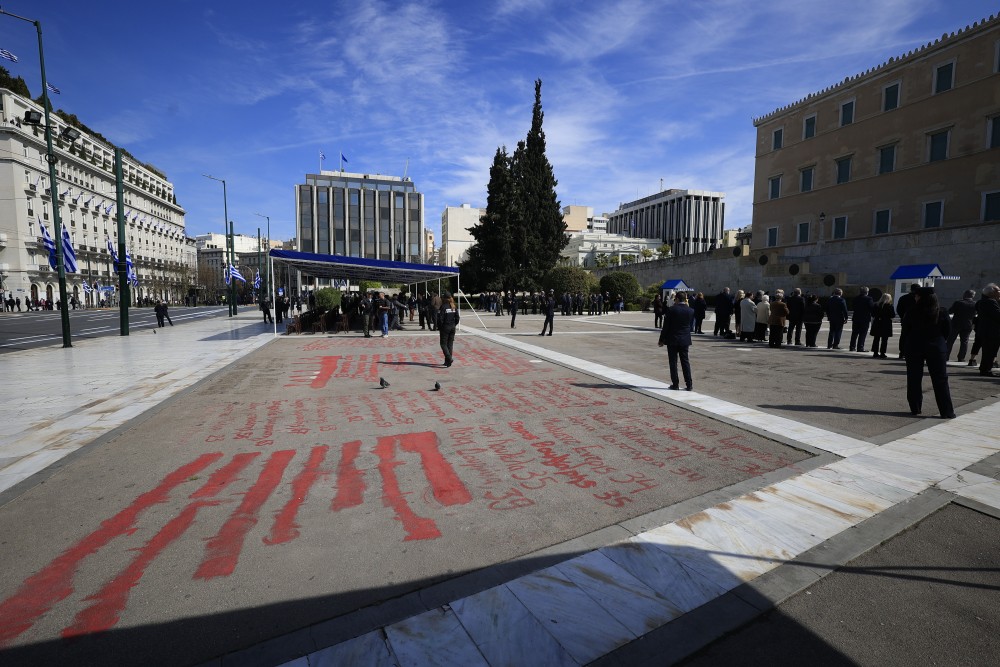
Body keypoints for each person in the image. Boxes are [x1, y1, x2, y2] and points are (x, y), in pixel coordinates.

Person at [902, 286, 955, 418]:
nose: (915, 297)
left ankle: (915, 408)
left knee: (914, 378)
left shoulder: (911, 311)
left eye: (916, 295)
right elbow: (947, 331)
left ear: (920, 297)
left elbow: (906, 331)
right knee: (940, 379)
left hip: (914, 346)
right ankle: (946, 411)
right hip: (936, 347)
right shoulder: (941, 312)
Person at [658, 292, 695, 390]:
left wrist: (661, 339)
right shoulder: (691, 311)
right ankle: (689, 384)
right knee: (685, 362)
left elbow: (666, 327)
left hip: (672, 339)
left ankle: (675, 384)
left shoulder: (671, 310)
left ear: (677, 299)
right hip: (685, 339)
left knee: (673, 362)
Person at [975, 283, 1000, 377]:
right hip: (991, 332)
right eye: (998, 290)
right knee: (990, 352)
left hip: (986, 331)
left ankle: (985, 369)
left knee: (988, 351)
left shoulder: (983, 301)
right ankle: (986, 370)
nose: (999, 292)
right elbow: (998, 315)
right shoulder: (991, 302)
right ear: (991, 293)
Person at [946, 289, 977, 362]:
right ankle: (961, 357)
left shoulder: (958, 302)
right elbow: (975, 313)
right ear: (973, 296)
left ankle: (946, 356)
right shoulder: (975, 304)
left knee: (950, 341)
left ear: (964, 295)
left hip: (956, 323)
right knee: (964, 342)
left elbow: (950, 311)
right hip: (968, 324)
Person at [895, 283, 919, 359]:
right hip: (917, 321)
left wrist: (903, 316)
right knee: (916, 337)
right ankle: (914, 352)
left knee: (904, 337)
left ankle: (902, 352)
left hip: (905, 320)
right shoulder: (919, 298)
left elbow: (899, 309)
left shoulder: (903, 298)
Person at [870, 293, 896, 359]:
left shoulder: (876, 305)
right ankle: (882, 353)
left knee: (876, 338)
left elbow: (872, 314)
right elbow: (893, 315)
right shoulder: (889, 306)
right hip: (886, 323)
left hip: (877, 323)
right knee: (884, 340)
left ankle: (875, 352)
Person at [437, 292, 460, 367]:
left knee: (443, 344)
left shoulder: (443, 306)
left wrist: (440, 327)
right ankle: (448, 362)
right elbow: (457, 318)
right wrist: (454, 324)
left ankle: (449, 358)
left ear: (445, 298)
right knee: (450, 344)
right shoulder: (453, 306)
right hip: (452, 327)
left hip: (445, 327)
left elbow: (440, 319)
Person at [849, 286, 874, 352]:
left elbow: (853, 307)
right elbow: (871, 308)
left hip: (856, 317)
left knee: (854, 333)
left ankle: (852, 347)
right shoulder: (869, 299)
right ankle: (860, 347)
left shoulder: (856, 298)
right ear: (867, 292)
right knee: (862, 334)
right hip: (865, 318)